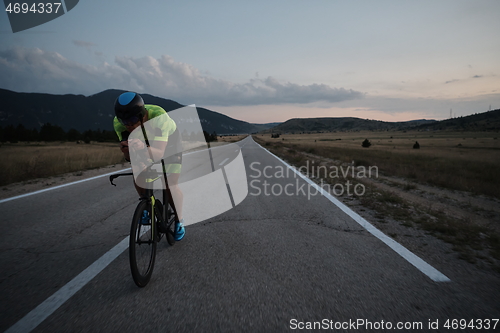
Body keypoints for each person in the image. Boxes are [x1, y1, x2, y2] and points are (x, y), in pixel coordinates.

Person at [113, 92, 185, 241]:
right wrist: (127, 151)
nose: (128, 125)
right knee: (137, 169)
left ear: (142, 115)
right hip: (144, 142)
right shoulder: (118, 124)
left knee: (169, 183)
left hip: (169, 143)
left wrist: (142, 148)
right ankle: (146, 205)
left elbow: (158, 154)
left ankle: (179, 220)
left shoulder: (158, 116)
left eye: (132, 120)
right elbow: (129, 158)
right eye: (124, 121)